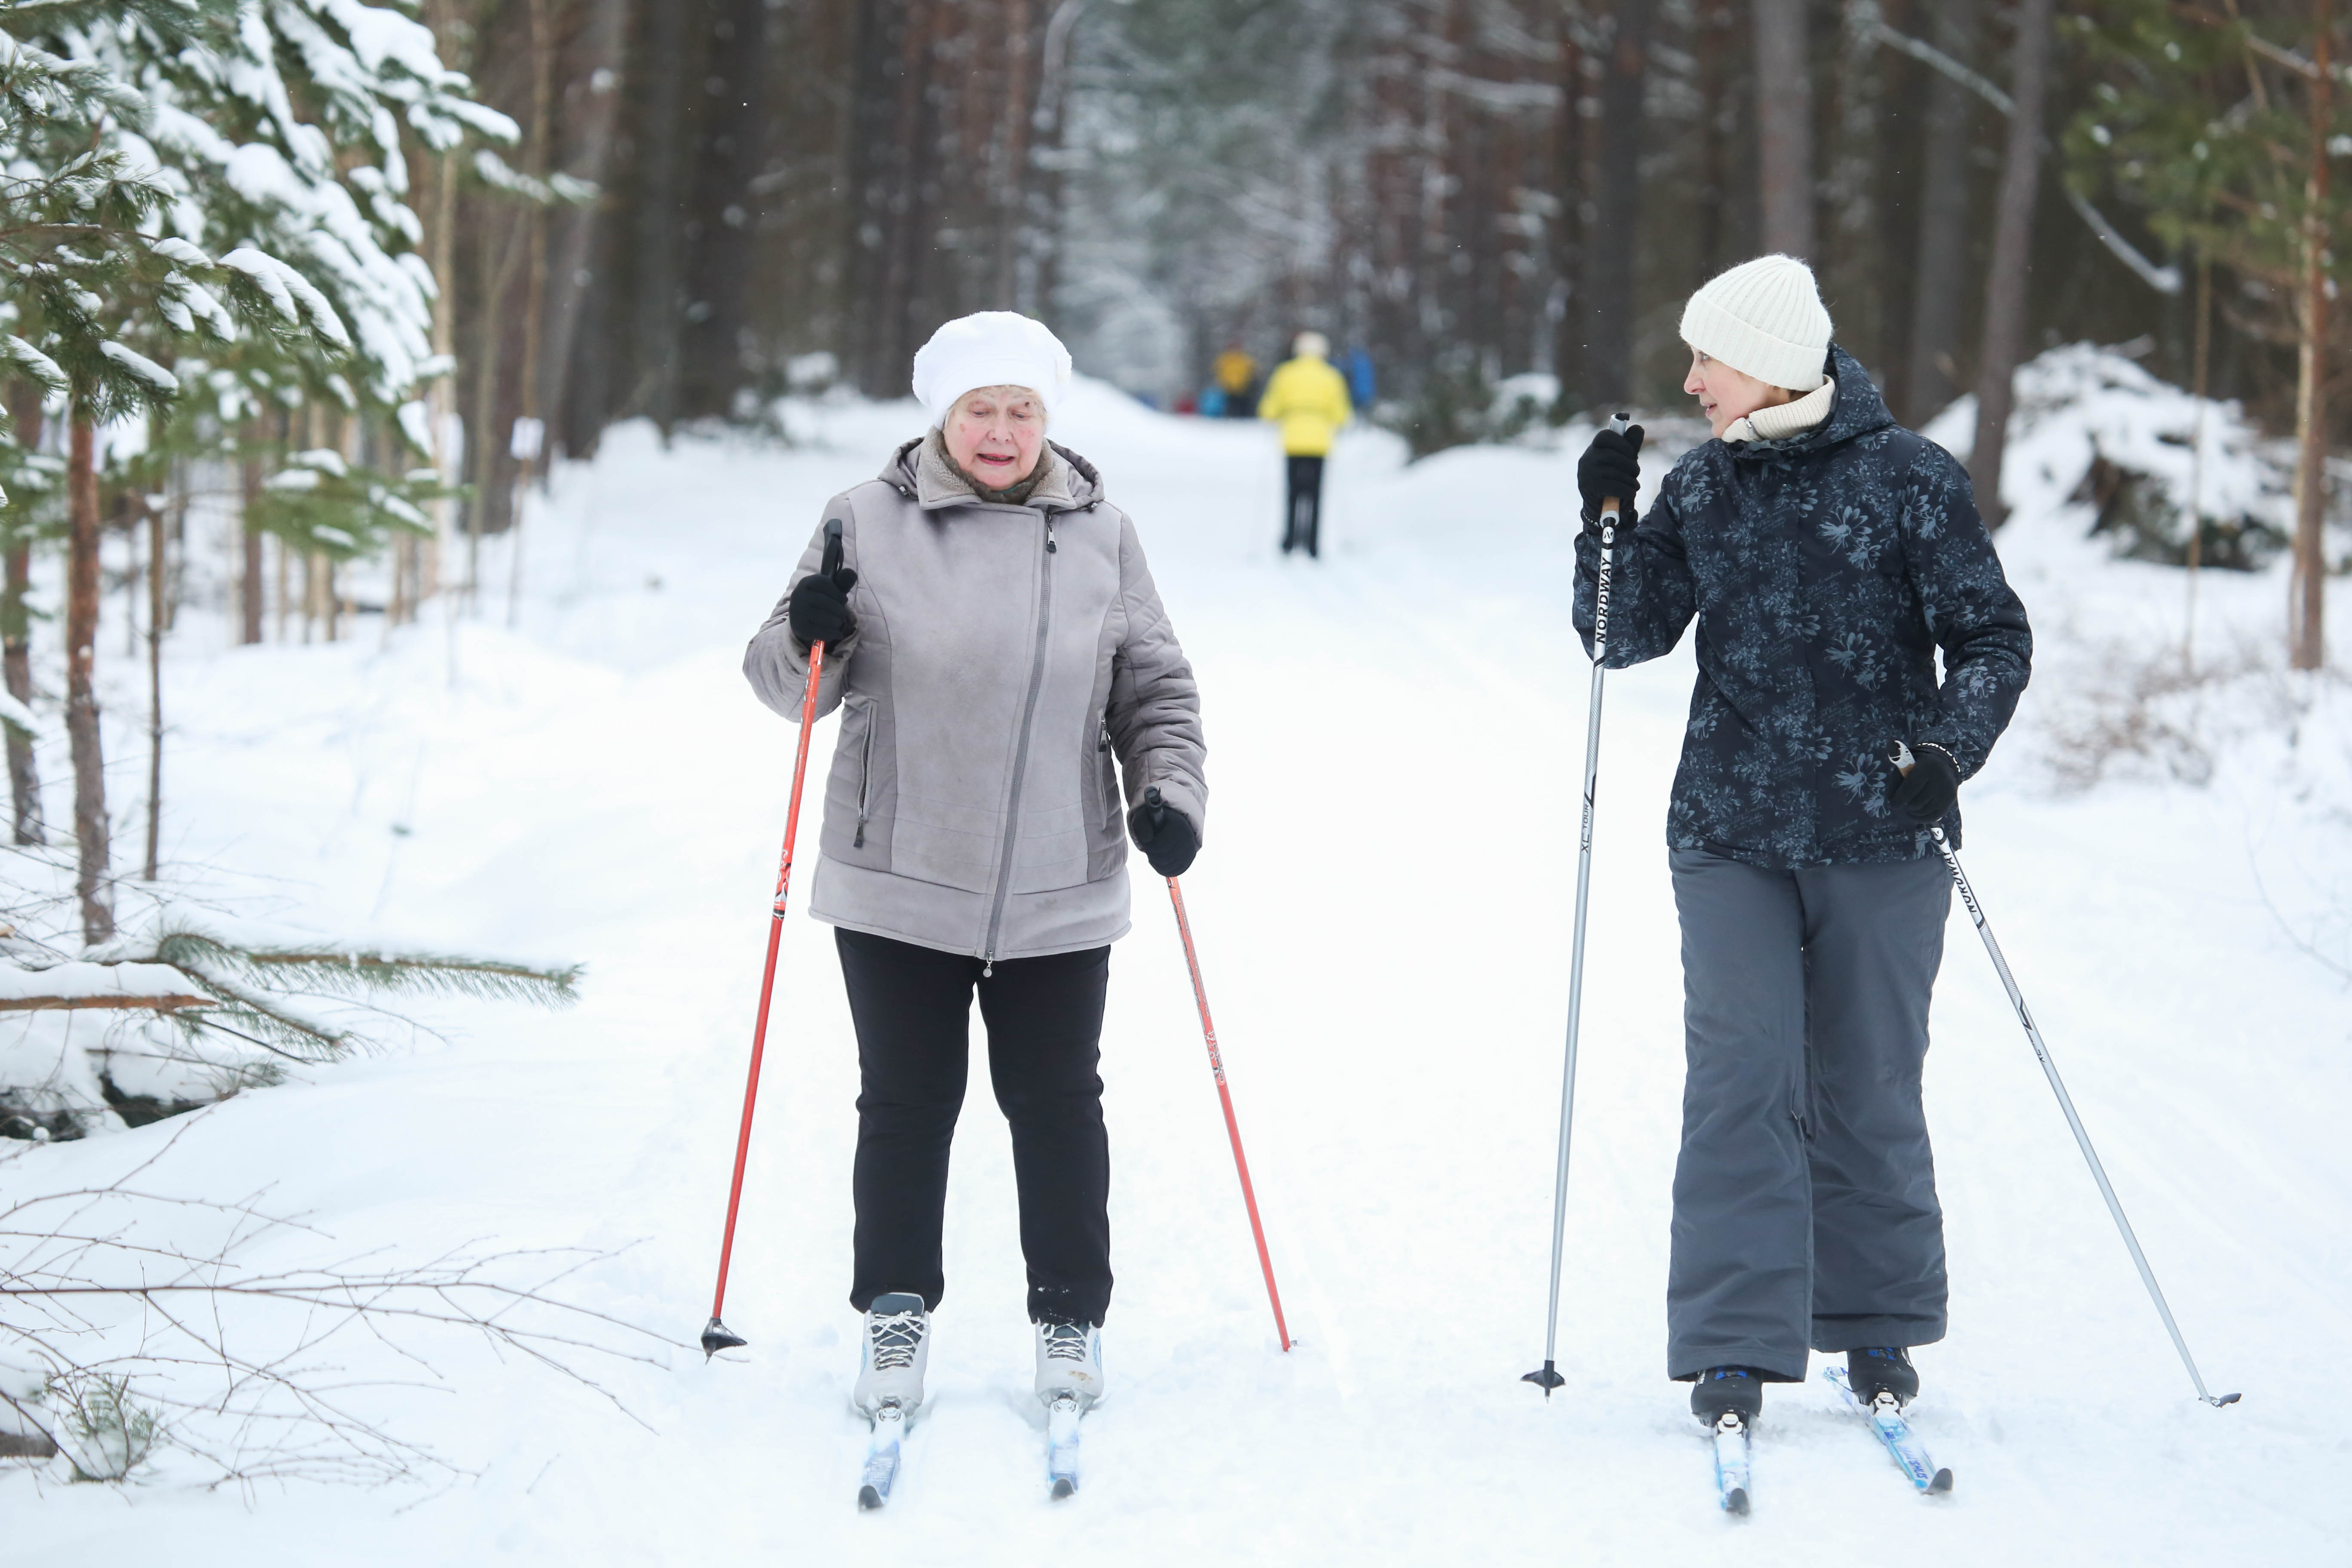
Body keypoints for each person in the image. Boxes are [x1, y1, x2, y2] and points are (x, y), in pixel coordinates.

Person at [1569, 255, 2032, 1433]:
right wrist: (1607, 521)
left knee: (1867, 1080)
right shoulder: (1706, 488)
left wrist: (1947, 751)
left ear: (1768, 366)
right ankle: (1733, 1342)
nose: (1690, 381)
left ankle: (1874, 1326)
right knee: (1741, 1081)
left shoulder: (1911, 481)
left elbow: (1991, 639)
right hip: (1729, 834)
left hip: (1882, 830)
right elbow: (1622, 640)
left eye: (1706, 359)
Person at [743, 310, 1207, 1432]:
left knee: (1056, 1104)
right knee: (907, 1102)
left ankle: (1068, 1320)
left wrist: (1170, 796)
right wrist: (811, 628)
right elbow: (786, 685)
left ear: (1048, 418)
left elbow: (1156, 693)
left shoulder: (1103, 535)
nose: (1001, 431)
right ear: (942, 417)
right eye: (980, 409)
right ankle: (895, 1315)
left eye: (1022, 410)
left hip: (1060, 878)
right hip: (900, 866)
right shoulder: (861, 521)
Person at [1256, 331, 1353, 557]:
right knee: (1316, 495)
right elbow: (1342, 415)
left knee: (1293, 493)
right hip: (1320, 443)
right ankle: (1312, 544)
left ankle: (1290, 541)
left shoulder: (1285, 374)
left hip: (1293, 441)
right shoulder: (1332, 376)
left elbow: (1269, 410)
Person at [1212, 341, 1257, 419]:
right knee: (1230, 407)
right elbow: (1218, 372)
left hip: (1243, 388)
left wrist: (1248, 382)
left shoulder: (1244, 359)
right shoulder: (1225, 360)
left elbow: (1252, 371)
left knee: (1243, 408)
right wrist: (1224, 383)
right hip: (1229, 389)